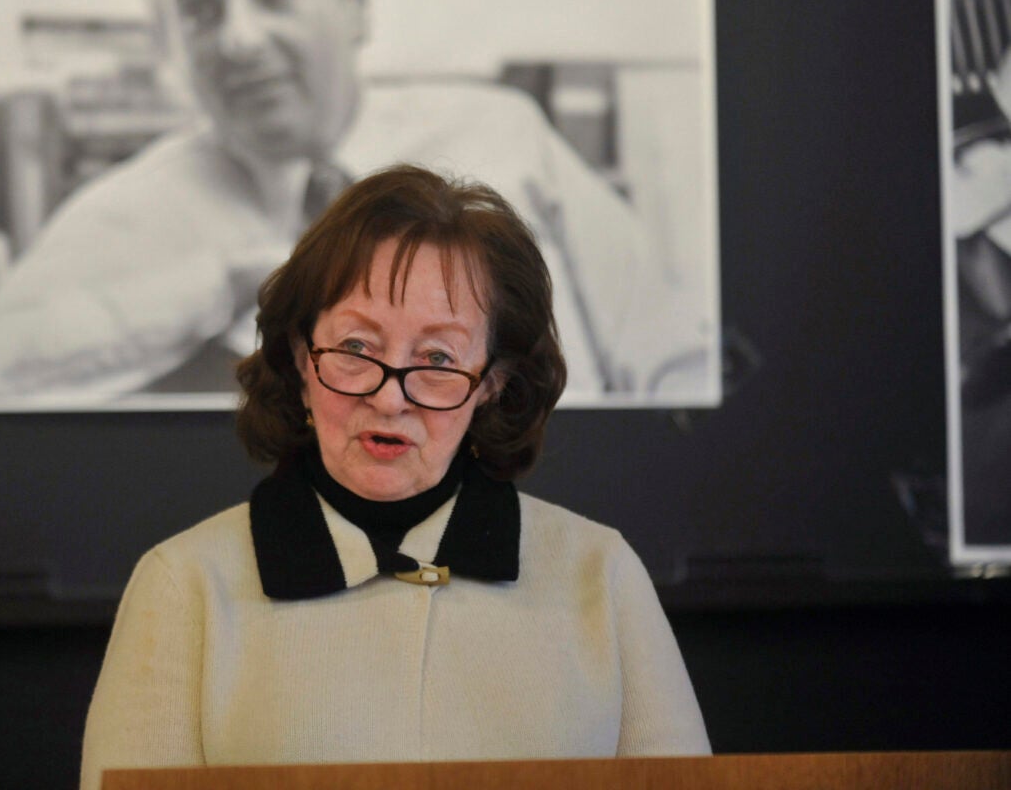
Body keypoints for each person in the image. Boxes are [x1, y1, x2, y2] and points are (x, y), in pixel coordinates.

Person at [0, 0, 695, 407]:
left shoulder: (503, 134)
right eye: (199, 7)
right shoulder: (125, 212)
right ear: (164, 43)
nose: (238, 39)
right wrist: (217, 290)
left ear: (356, 0)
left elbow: (673, 358)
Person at [79, 165, 709, 786]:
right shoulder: (182, 587)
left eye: (437, 357)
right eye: (357, 349)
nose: (390, 399)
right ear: (301, 357)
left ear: (491, 383)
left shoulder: (601, 575)